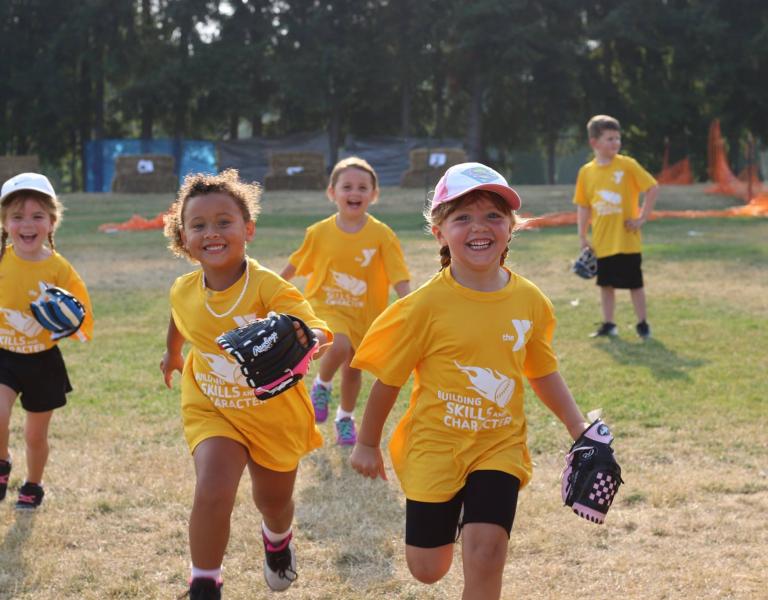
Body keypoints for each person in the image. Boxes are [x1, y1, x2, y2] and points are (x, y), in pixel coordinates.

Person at [348, 162, 590, 600]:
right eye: (463, 217)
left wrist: (580, 429)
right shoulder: (424, 307)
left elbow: (542, 370)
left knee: (487, 551)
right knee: (427, 569)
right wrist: (367, 442)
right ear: (440, 231)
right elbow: (389, 381)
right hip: (435, 446)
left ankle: (476, 518)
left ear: (511, 227)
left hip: (499, 443)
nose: (480, 227)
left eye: (493, 216)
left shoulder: (530, 301)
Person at [160, 170, 332, 599]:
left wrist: (308, 339)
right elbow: (180, 318)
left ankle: (278, 540)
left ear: (248, 229)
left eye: (224, 221)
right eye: (198, 225)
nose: (211, 232)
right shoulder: (184, 288)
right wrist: (173, 353)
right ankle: (205, 583)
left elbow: (316, 328)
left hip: (273, 412)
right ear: (183, 236)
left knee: (273, 502)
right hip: (212, 407)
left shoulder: (266, 286)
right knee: (213, 488)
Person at [280, 157, 410, 446]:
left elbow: (398, 276)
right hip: (325, 308)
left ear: (374, 195)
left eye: (363, 187)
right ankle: (321, 386)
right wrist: (269, 293)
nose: (355, 192)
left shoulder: (382, 235)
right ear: (332, 193)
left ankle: (345, 418)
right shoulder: (319, 233)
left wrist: (411, 305)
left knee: (353, 370)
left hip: (365, 315)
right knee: (337, 344)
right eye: (347, 186)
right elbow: (293, 267)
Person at [0, 172, 93, 510]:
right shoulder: (1, 259)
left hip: (42, 361)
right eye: (18, 216)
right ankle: (3, 462)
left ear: (52, 222)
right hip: (4, 356)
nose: (28, 224)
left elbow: (81, 311)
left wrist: (71, 324)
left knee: (35, 435)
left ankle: (33, 484)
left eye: (38, 216)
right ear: (5, 223)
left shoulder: (58, 268)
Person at [573, 114, 659, 339]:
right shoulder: (586, 172)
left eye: (617, 139)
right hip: (602, 240)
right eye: (609, 139)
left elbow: (652, 187)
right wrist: (582, 235)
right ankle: (609, 324)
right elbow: (583, 206)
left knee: (635, 284)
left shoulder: (627, 165)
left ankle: (642, 324)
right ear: (594, 143)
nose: (616, 143)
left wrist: (642, 218)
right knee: (606, 285)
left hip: (627, 239)